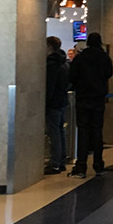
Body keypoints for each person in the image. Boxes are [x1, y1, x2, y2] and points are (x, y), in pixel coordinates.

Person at [67, 32, 113, 178]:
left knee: (83, 131)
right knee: (97, 131)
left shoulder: (80, 58)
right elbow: (109, 73)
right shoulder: (104, 58)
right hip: (98, 98)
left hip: (83, 98)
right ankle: (98, 164)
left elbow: (72, 76)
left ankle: (81, 166)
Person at [44, 36, 69, 175]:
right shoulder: (64, 62)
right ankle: (61, 161)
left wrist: (46, 102)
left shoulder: (51, 64)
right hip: (62, 100)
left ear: (49, 47)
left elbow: (50, 86)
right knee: (60, 132)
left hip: (53, 103)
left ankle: (55, 163)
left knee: (54, 132)